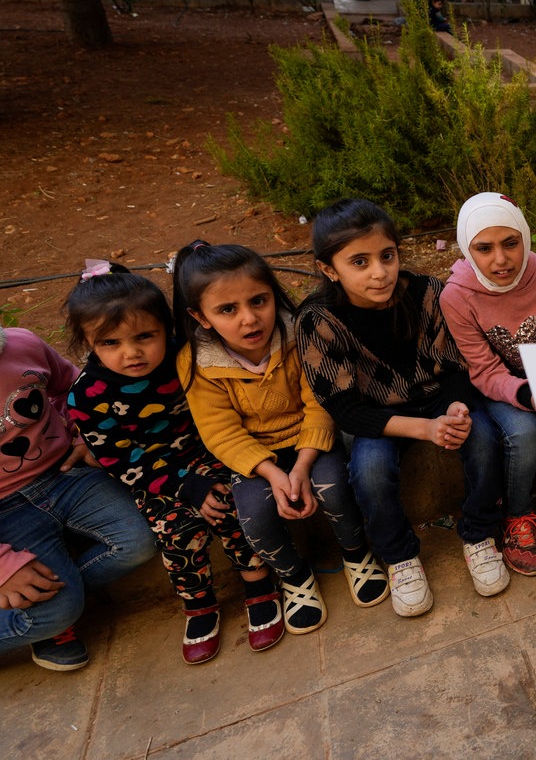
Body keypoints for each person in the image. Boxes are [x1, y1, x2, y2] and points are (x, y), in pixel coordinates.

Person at [296, 199, 510, 617]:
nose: (380, 272)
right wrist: (423, 430)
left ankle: (479, 534)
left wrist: (456, 411)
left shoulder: (427, 293)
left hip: (438, 399)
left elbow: (455, 365)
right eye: (359, 262)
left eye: (387, 256)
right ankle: (399, 558)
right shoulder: (318, 320)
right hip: (379, 417)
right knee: (369, 471)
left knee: (483, 438)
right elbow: (345, 410)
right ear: (328, 269)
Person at [64, 263, 277, 665]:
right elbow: (118, 458)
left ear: (167, 327)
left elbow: (218, 416)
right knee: (175, 532)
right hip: (155, 477)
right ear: (88, 342)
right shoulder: (88, 395)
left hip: (212, 453)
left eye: (145, 336)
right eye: (111, 343)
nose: (132, 352)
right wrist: (183, 486)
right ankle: (199, 605)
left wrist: (205, 478)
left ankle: (258, 583)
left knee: (233, 507)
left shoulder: (188, 358)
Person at [173, 241, 388, 638]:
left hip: (311, 440)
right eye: (227, 310)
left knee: (336, 486)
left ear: (274, 295)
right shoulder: (197, 363)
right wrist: (272, 473)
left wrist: (303, 464)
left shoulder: (298, 333)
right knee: (253, 517)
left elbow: (320, 401)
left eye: (259, 301)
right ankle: (295, 577)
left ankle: (356, 553)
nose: (249, 319)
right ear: (199, 316)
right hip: (255, 458)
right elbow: (220, 431)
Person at [0, 326, 154, 672]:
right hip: (5, 512)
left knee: (143, 536)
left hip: (64, 474)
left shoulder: (21, 344)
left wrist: (86, 433)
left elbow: (72, 385)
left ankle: (63, 597)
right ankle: (48, 613)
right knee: (56, 613)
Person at [441, 192, 536, 575]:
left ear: (526, 238)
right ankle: (517, 515)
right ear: (467, 248)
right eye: (483, 248)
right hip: (495, 389)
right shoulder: (457, 296)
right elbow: (483, 370)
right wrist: (524, 393)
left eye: (510, 243)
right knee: (524, 432)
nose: (500, 260)